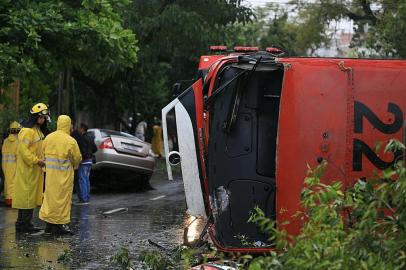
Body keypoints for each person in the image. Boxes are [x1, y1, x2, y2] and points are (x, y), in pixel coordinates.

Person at [39, 115, 81, 235]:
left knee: (49, 199)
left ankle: (49, 225)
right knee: (62, 201)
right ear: (68, 124)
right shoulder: (71, 141)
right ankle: (58, 226)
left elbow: (43, 154)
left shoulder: (48, 138)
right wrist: (74, 165)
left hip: (50, 177)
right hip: (64, 177)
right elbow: (77, 158)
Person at [12, 103, 49, 233]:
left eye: (44, 118)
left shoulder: (36, 130)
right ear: (35, 117)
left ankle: (24, 223)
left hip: (33, 170)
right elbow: (23, 150)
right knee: (26, 197)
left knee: (29, 197)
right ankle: (23, 224)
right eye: (41, 117)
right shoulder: (27, 131)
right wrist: (36, 160)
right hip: (28, 170)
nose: (43, 120)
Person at [75, 123, 97, 204]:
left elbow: (83, 150)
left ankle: (83, 199)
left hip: (84, 161)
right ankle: (87, 197)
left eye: (79, 128)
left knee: (82, 179)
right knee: (86, 179)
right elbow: (95, 149)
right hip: (90, 160)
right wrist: (90, 153)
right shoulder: (91, 137)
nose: (78, 130)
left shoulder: (83, 138)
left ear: (82, 129)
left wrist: (81, 157)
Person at [1, 121, 21, 206]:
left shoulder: (5, 141)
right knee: (13, 182)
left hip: (4, 166)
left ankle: (7, 198)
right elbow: (18, 156)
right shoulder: (18, 142)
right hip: (14, 165)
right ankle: (11, 199)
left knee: (7, 181)